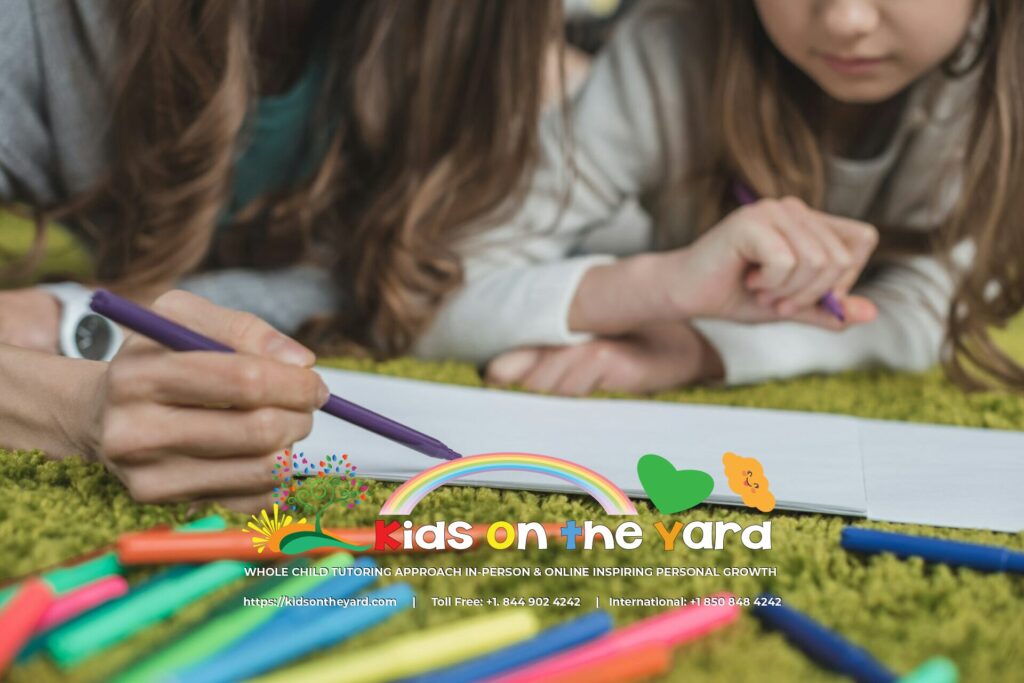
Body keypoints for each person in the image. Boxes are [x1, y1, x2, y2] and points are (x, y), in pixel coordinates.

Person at [0, 0, 557, 508]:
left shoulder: (481, 38)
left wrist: (83, 315)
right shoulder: (35, 25)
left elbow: (431, 263)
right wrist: (78, 409)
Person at [416, 0, 1024, 395]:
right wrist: (660, 285)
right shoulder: (671, 45)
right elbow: (424, 290)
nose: (845, 20)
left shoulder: (993, 96)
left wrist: (698, 347)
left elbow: (927, 308)